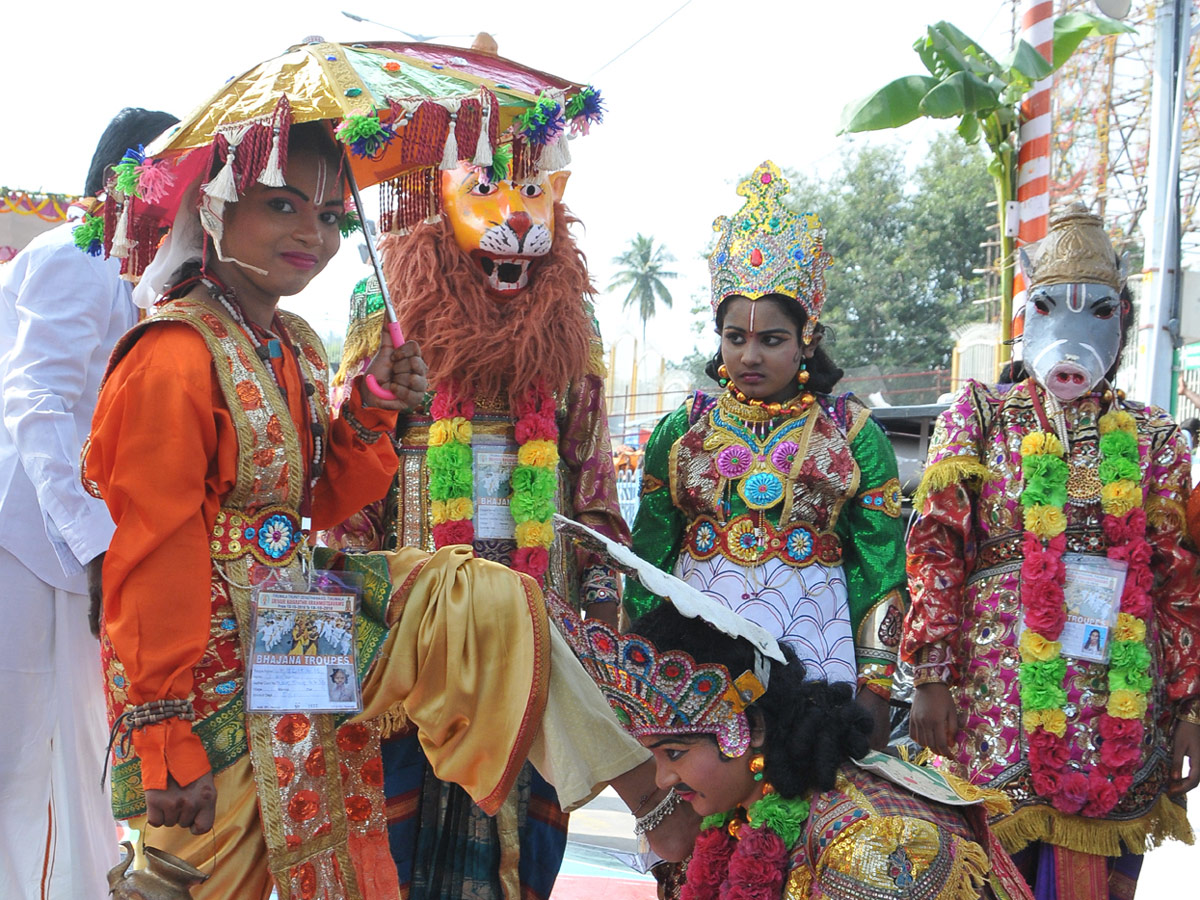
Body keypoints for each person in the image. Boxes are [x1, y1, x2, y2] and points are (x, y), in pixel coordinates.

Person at [86, 120, 685, 900]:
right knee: (200, 885)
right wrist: (162, 727)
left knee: (484, 604)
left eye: (333, 216)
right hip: (207, 671)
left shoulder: (290, 341)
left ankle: (647, 790)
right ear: (213, 207)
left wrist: (369, 411)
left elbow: (315, 501)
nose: (317, 236)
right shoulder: (171, 354)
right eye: (283, 207)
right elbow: (151, 549)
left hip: (297, 626)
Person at [325, 154, 634, 894]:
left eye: (532, 191)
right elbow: (354, 467)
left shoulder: (571, 315)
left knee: (530, 817)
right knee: (397, 804)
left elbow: (591, 478)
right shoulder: (386, 299)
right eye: (487, 188)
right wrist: (356, 606)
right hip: (415, 617)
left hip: (538, 616)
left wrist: (598, 604)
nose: (514, 216)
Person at [903, 205, 1200, 899]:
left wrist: (1191, 710)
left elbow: (1180, 583)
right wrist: (930, 674)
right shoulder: (977, 416)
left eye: (1097, 312)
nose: (1074, 332)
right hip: (991, 699)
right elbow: (936, 546)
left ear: (1121, 322)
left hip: (1117, 705)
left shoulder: (1156, 439)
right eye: (1051, 306)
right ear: (1027, 315)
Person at [624, 162, 906, 749]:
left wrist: (876, 688)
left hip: (815, 642)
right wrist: (639, 663)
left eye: (771, 339)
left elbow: (882, 569)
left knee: (798, 809)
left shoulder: (851, 434)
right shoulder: (682, 430)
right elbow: (649, 558)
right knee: (696, 796)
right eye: (735, 336)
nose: (749, 355)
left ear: (806, 338)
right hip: (695, 651)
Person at [561, 601, 1034, 900]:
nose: (662, 778)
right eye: (655, 757)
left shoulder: (868, 844)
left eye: (676, 752)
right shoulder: (741, 811)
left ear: (754, 728)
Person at [0, 106, 177, 900]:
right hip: (32, 543)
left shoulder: (122, 269)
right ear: (137, 178)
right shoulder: (81, 253)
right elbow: (35, 403)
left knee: (71, 761)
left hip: (60, 548)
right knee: (27, 765)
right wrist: (95, 541)